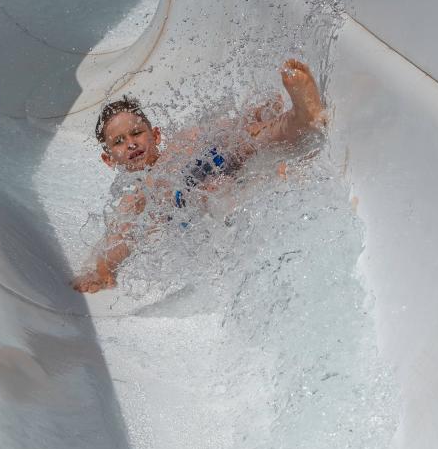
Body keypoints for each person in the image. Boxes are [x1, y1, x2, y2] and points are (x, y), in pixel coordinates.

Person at [71, 58, 326, 293]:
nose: (131, 144)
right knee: (215, 192)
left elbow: (228, 128)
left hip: (213, 157)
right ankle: (278, 174)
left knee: (242, 136)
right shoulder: (139, 196)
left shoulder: (179, 145)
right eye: (118, 142)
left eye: (136, 133)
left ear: (155, 135)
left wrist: (255, 114)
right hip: (195, 196)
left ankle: (299, 117)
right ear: (108, 160)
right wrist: (100, 271)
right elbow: (119, 238)